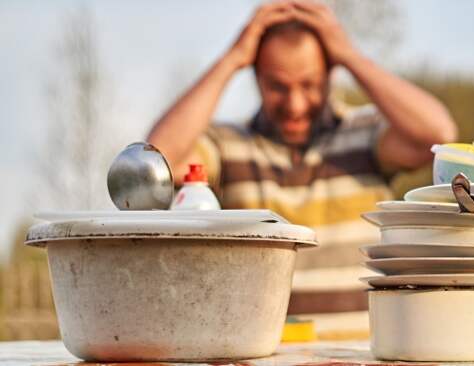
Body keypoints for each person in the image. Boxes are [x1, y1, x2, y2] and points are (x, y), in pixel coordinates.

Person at [148, 1, 457, 269]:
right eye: (278, 86)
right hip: (267, 339)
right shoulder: (227, 144)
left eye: (309, 84)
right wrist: (231, 59)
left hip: (360, 340)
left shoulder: (366, 134)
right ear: (256, 77)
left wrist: (349, 54)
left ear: (331, 74)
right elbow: (154, 164)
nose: (295, 105)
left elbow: (437, 136)